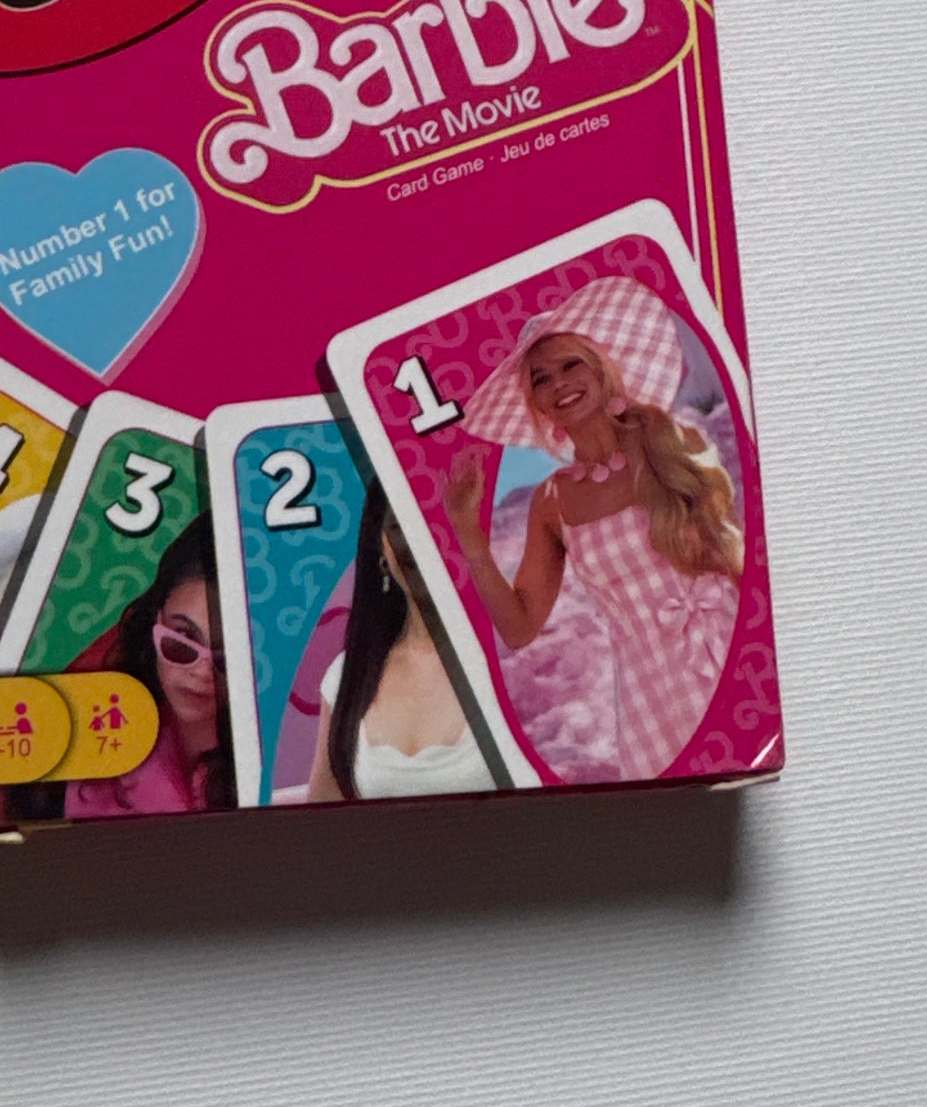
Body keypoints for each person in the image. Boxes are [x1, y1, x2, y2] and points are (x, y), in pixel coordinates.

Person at [441, 276, 742, 784]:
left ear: (600, 370)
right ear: (535, 404)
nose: (558, 383)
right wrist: (468, 535)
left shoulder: (667, 441)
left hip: (723, 653)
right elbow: (519, 628)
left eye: (570, 365)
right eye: (540, 379)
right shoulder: (552, 501)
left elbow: (737, 552)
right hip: (648, 700)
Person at [306, 484, 497, 802]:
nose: (418, 540)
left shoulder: (514, 666)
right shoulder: (346, 677)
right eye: (400, 524)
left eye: (434, 521)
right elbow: (322, 820)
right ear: (379, 547)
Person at [66, 513, 236, 816]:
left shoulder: (279, 759)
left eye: (226, 657)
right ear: (157, 618)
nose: (202, 672)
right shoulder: (103, 738)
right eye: (183, 639)